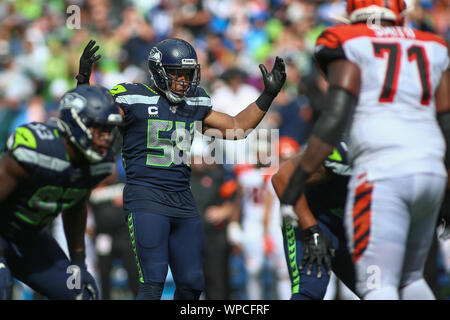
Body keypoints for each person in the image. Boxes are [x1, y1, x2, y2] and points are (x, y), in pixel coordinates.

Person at [76, 38, 286, 300]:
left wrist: (267, 95)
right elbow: (93, 113)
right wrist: (84, 80)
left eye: (188, 74)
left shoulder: (194, 103)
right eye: (177, 74)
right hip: (146, 196)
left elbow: (237, 128)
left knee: (192, 283)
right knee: (152, 281)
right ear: (159, 71)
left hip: (182, 199)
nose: (184, 81)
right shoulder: (134, 96)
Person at [279, 0, 450, 299]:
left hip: (372, 187)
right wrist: (311, 229)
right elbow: (282, 176)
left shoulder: (350, 46)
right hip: (322, 212)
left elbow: (334, 113)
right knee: (401, 280)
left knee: (381, 285)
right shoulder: (432, 45)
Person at [0, 84, 123, 300]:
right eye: (99, 128)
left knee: (80, 295)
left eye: (109, 130)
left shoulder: (98, 164)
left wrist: (78, 261)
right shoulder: (37, 149)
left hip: (30, 239)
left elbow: (76, 206)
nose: (106, 137)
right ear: (75, 124)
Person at [272, 138, 359, 300]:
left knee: (378, 288)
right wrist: (312, 230)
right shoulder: (345, 152)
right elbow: (282, 178)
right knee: (310, 289)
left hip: (348, 226)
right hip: (311, 216)